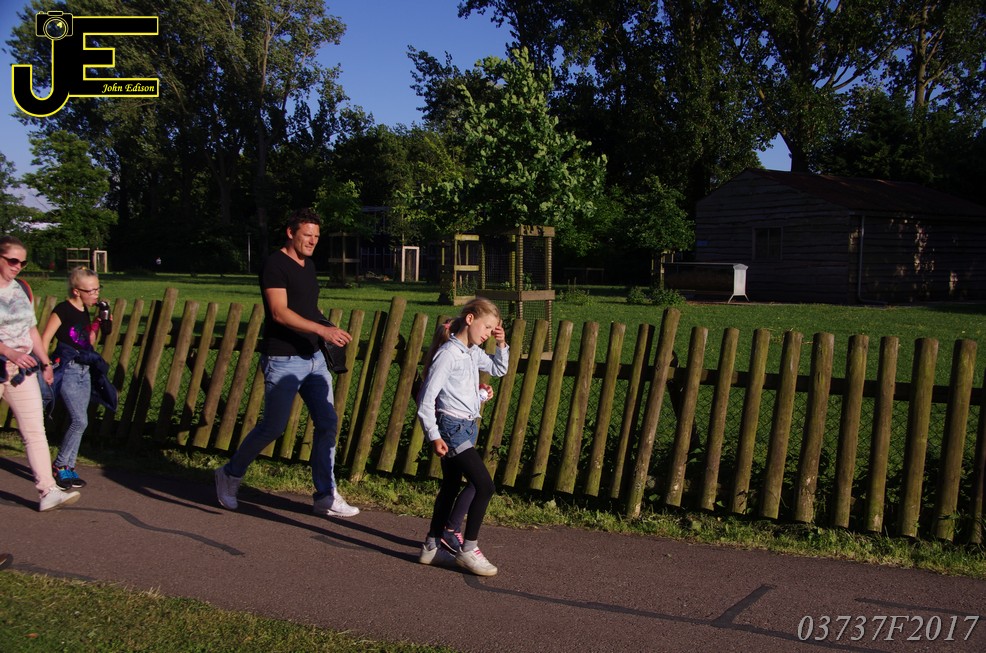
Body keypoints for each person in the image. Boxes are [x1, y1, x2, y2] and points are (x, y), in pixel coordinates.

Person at [214, 209, 359, 518]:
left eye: (316, 236)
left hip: (314, 359)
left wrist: (325, 327)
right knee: (273, 427)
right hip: (283, 359)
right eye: (307, 235)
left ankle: (325, 495)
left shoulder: (308, 265)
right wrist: (321, 330)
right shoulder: (275, 265)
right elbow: (279, 312)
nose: (313, 241)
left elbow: (306, 306)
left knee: (327, 423)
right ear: (291, 233)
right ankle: (229, 473)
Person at [416, 298, 508, 576]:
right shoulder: (448, 354)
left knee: (452, 485)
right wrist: (433, 435)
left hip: (466, 426)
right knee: (485, 486)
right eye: (487, 327)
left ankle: (431, 547)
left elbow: (498, 369)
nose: (489, 333)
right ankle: (468, 549)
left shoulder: (471, 352)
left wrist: (501, 345)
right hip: (451, 428)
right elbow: (426, 399)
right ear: (469, 319)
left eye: (493, 329)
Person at [0, 235, 80, 511]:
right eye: (12, 260)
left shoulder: (22, 288)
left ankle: (48, 491)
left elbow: (31, 329)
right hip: (4, 362)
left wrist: (45, 362)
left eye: (22, 262)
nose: (18, 266)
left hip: (21, 371)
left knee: (35, 430)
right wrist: (9, 352)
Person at [40, 266, 115, 489]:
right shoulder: (62, 310)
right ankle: (60, 465)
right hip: (69, 369)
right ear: (76, 291)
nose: (96, 294)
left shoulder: (84, 311)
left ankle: (69, 467)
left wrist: (100, 322)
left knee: (81, 421)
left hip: (84, 369)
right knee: (79, 420)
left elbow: (87, 341)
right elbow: (45, 338)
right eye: (91, 291)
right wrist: (45, 365)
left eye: (98, 289)